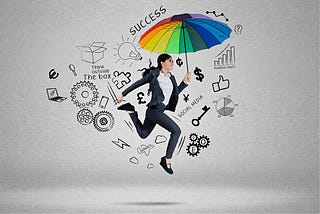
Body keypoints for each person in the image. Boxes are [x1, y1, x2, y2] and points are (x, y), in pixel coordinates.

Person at [117, 53, 190, 174]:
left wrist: (185, 82)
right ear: (162, 63)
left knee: (143, 134)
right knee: (176, 131)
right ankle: (166, 160)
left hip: (158, 111)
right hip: (154, 110)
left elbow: (174, 94)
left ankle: (131, 110)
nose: (173, 63)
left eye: (173, 61)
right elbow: (137, 83)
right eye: (170, 61)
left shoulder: (171, 77)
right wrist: (123, 94)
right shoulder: (154, 75)